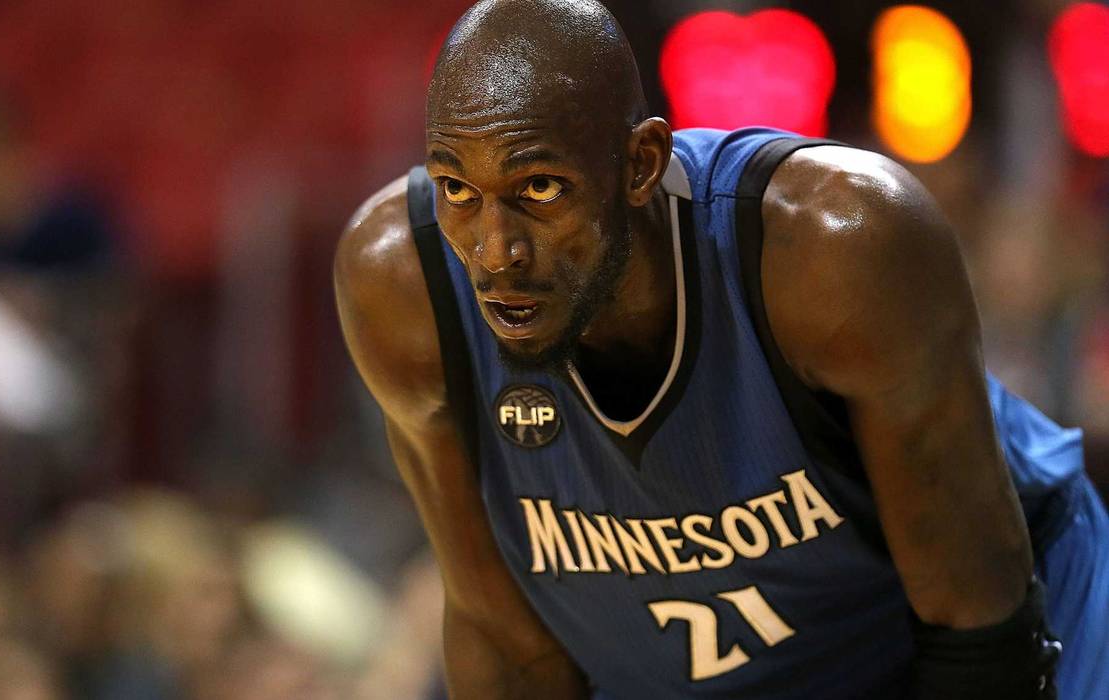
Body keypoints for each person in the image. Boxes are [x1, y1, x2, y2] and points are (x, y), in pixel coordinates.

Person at [334, 1, 1109, 697]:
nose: (494, 250)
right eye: (456, 191)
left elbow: (972, 621)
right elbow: (505, 641)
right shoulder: (399, 287)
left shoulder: (834, 248)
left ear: (640, 164)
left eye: (539, 189)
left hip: (992, 625)